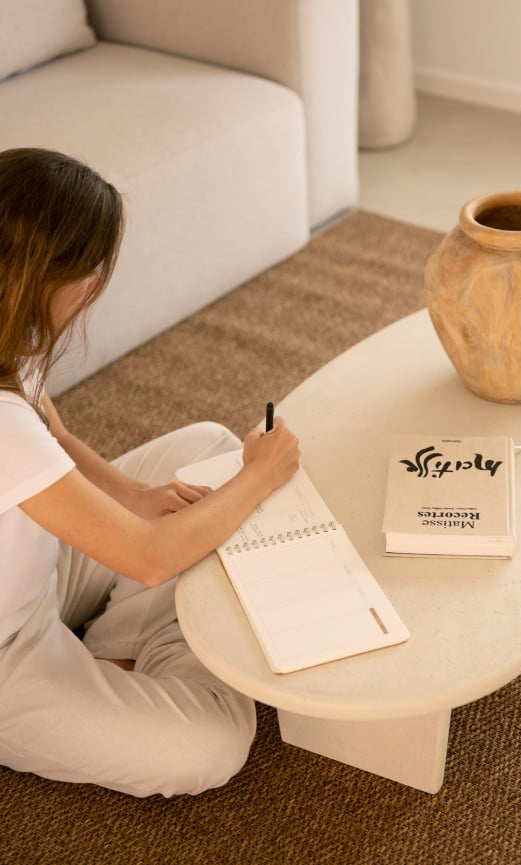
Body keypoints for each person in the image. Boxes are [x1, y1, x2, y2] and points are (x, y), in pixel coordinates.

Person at [0, 148, 300, 797]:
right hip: (6, 658)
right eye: (91, 269)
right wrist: (260, 476)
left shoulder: (8, 334)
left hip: (30, 567)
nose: (94, 286)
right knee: (210, 743)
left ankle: (112, 652)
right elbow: (150, 559)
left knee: (205, 451)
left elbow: (47, 425)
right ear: (52, 276)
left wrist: (134, 493)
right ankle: (142, 655)